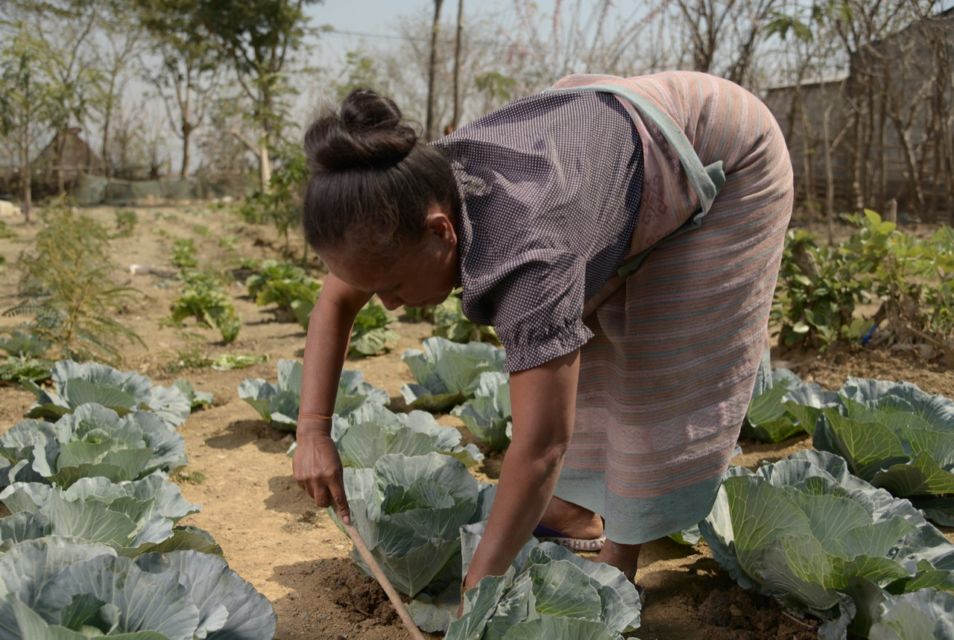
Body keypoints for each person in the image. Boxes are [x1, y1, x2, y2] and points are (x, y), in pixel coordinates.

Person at [292, 71, 793, 598]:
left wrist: (478, 589)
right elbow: (337, 298)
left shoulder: (528, 253)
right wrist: (311, 430)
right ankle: (575, 508)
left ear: (442, 230)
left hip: (728, 152)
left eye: (391, 287)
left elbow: (542, 446)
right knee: (574, 343)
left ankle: (618, 558)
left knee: (651, 357)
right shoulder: (397, 190)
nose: (389, 305)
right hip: (611, 139)